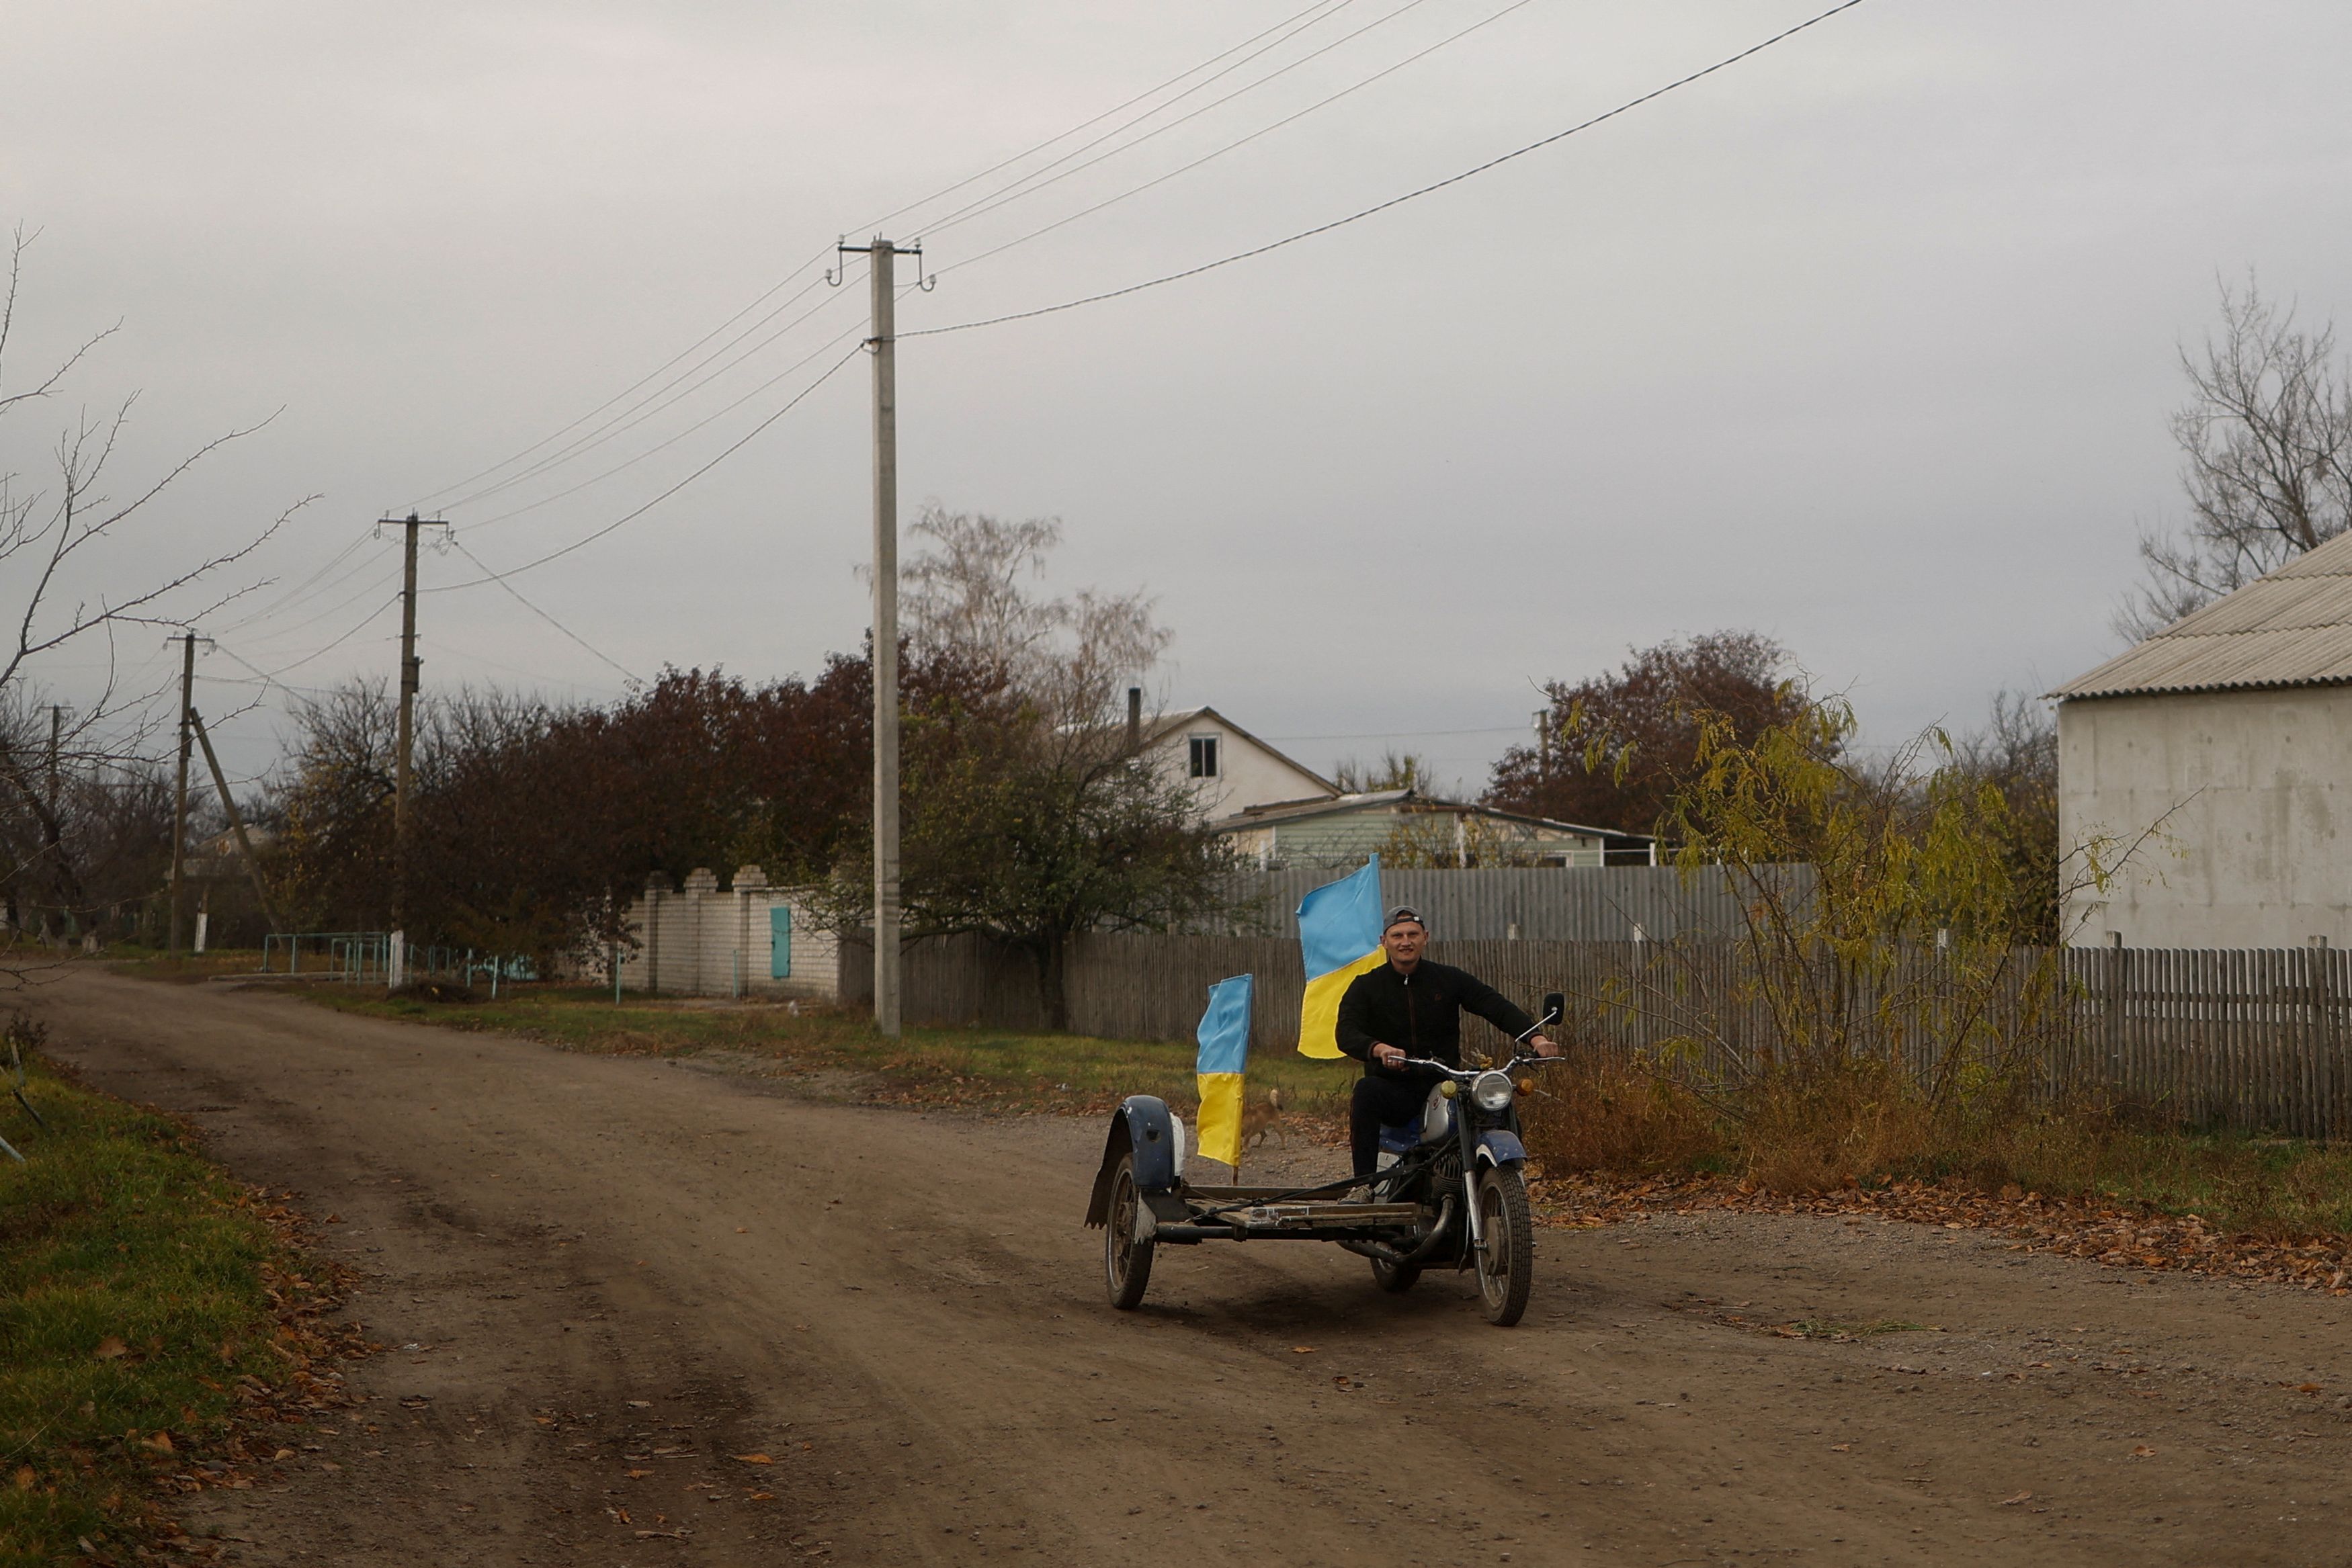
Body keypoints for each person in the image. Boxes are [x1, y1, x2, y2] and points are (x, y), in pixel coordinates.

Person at [1335, 906, 1557, 1182]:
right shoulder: (1366, 986)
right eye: (1398, 936)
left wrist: (1536, 1037)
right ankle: (1364, 1185)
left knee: (1494, 1101)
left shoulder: (1448, 979)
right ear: (1384, 942)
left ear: (1425, 937)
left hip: (1444, 1084)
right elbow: (1346, 1032)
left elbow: (1494, 1005)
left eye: (1413, 934)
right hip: (1394, 1087)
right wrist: (1379, 1049)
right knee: (1366, 1091)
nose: (1406, 942)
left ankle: (1502, 1179)